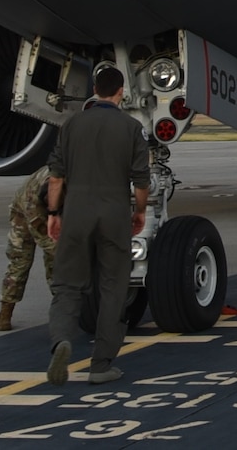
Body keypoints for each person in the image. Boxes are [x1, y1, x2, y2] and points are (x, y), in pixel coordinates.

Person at [44, 66, 150, 386]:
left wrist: (53, 212)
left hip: (76, 213)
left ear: (94, 89)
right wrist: (140, 212)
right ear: (121, 92)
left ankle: (62, 340)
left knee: (67, 284)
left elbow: (56, 177)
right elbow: (141, 181)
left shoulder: (72, 124)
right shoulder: (130, 127)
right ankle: (101, 364)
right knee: (113, 288)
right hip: (114, 215)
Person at [0, 164, 56, 331]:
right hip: (23, 214)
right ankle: (5, 312)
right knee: (20, 262)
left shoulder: (67, 180)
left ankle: (62, 309)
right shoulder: (34, 200)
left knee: (56, 264)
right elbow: (44, 235)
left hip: (51, 211)